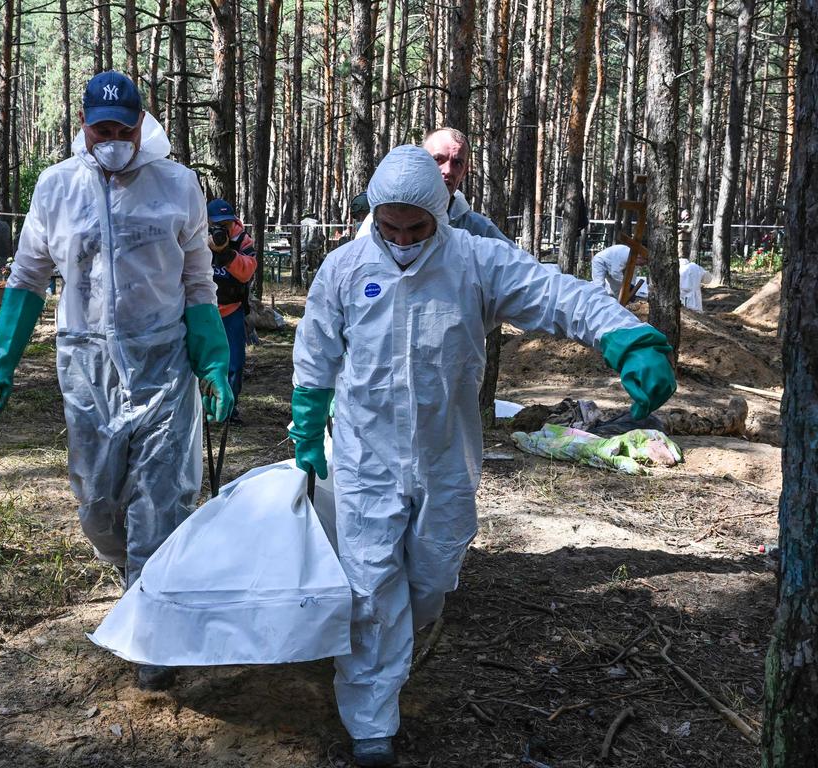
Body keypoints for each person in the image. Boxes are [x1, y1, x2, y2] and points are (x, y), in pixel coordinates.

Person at [289, 146, 676, 767]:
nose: (404, 240)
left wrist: (622, 335)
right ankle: (371, 722)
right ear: (374, 215)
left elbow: (556, 293)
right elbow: (314, 349)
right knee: (369, 585)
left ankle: (396, 653)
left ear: (441, 216)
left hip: (445, 458)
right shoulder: (343, 268)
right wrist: (308, 420)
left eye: (418, 229)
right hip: (367, 458)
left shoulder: (473, 262)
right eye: (391, 228)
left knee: (433, 576)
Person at [0, 70, 233, 691]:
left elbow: (198, 279)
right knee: (96, 502)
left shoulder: (177, 185)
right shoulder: (57, 187)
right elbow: (30, 275)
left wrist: (214, 359)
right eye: (102, 129)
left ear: (142, 125)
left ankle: (153, 626)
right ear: (84, 127)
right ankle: (134, 575)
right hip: (86, 364)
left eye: (124, 128)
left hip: (162, 358)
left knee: (163, 497)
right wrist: (1, 357)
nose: (113, 139)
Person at [356, 127, 512, 244]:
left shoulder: (478, 230)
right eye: (438, 159)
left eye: (457, 163)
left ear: (465, 172)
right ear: (420, 162)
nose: (448, 170)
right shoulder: (381, 221)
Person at [206, 198, 257, 424]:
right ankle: (203, 407)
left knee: (235, 363)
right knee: (201, 362)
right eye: (217, 224)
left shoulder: (243, 241)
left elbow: (247, 272)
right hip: (204, 311)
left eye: (226, 224)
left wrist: (226, 253)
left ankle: (229, 410)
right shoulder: (196, 236)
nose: (222, 229)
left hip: (232, 310)